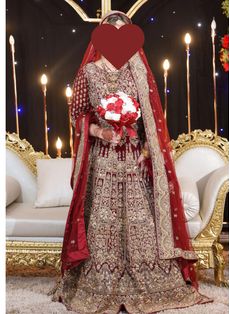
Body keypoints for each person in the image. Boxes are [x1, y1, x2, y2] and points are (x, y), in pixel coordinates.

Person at [47, 10, 213, 314]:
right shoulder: (89, 73)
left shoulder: (138, 70)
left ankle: (151, 280)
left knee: (141, 222)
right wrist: (100, 130)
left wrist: (152, 152)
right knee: (101, 221)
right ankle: (99, 282)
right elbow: (77, 115)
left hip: (134, 158)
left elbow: (150, 117)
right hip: (103, 160)